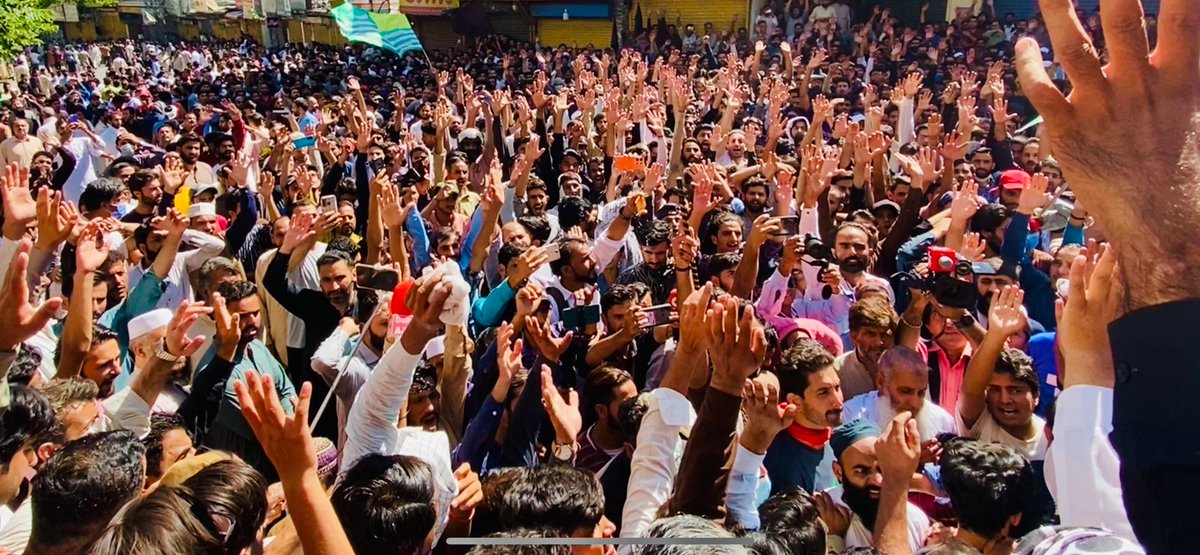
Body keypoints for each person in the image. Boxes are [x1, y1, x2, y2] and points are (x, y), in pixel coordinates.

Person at [815, 419, 931, 553]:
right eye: (861, 471)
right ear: (838, 472)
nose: (877, 481)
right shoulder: (821, 513)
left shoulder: (915, 519)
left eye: (882, 469)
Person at [763, 340, 843, 494]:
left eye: (837, 387)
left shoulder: (840, 440)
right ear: (796, 402)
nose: (838, 401)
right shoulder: (783, 466)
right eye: (823, 392)